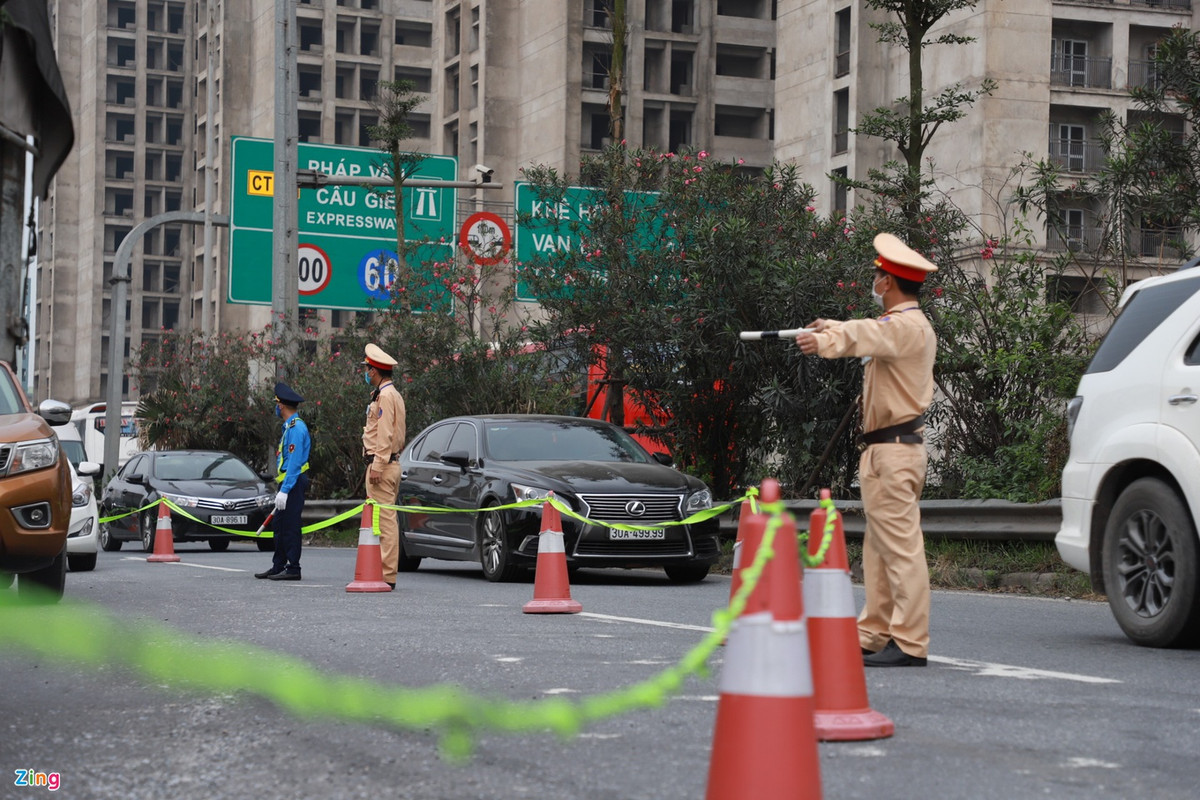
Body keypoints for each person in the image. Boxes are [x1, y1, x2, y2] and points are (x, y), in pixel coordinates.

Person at [795, 232, 938, 667]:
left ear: (888, 283)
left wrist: (828, 340)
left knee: (900, 549)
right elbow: (870, 333)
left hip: (895, 450)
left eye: (877, 275)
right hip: (883, 450)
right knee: (879, 550)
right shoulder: (899, 327)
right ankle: (874, 633)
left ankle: (910, 642)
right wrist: (829, 328)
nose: (873, 281)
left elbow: (869, 335)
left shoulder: (909, 327)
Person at [361, 343, 407, 590]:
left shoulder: (386, 396)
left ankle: (387, 574)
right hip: (386, 463)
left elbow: (386, 433)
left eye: (368, 369)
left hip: (383, 465)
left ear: (375, 371)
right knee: (382, 519)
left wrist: (377, 464)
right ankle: (381, 570)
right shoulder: (390, 394)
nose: (366, 373)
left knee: (386, 521)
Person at [256, 381, 312, 581]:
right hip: (288, 483)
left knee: (290, 526)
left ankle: (293, 568)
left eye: (276, 404)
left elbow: (295, 463)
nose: (276, 408)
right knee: (279, 526)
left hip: (294, 483)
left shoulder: (297, 429)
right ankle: (278, 565)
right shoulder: (289, 427)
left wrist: (286, 490)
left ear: (281, 406)